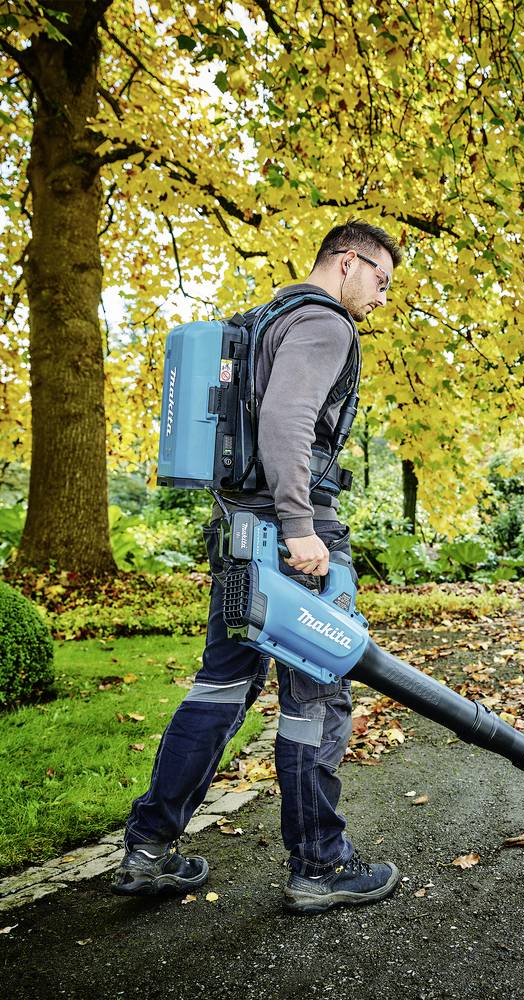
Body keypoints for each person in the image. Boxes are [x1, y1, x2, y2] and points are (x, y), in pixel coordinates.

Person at [112, 221, 404, 915]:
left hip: (241, 532)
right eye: (381, 282)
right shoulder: (324, 323)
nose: (382, 300)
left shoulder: (260, 322)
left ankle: (149, 850)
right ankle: (320, 867)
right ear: (348, 263)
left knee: (222, 687)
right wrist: (303, 528)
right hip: (294, 538)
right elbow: (285, 421)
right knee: (317, 695)